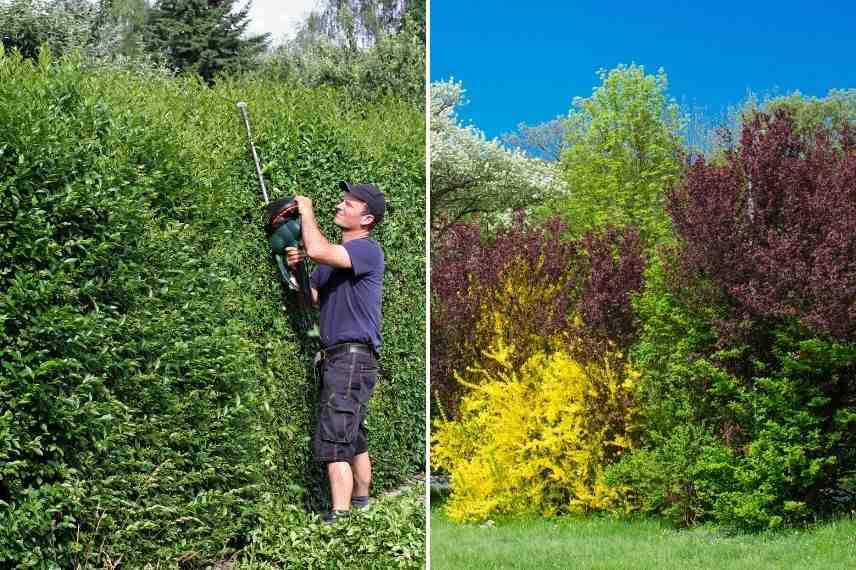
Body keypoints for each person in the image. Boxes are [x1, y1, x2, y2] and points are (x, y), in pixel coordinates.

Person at [285, 181, 385, 524]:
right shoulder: (333, 260)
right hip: (341, 358)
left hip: (353, 357)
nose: (340, 207)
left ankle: (339, 519)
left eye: (349, 204)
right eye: (342, 202)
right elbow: (308, 300)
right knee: (351, 431)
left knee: (335, 434)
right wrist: (296, 268)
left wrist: (306, 212)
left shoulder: (368, 251)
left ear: (367, 218)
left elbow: (317, 249)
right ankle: (361, 505)